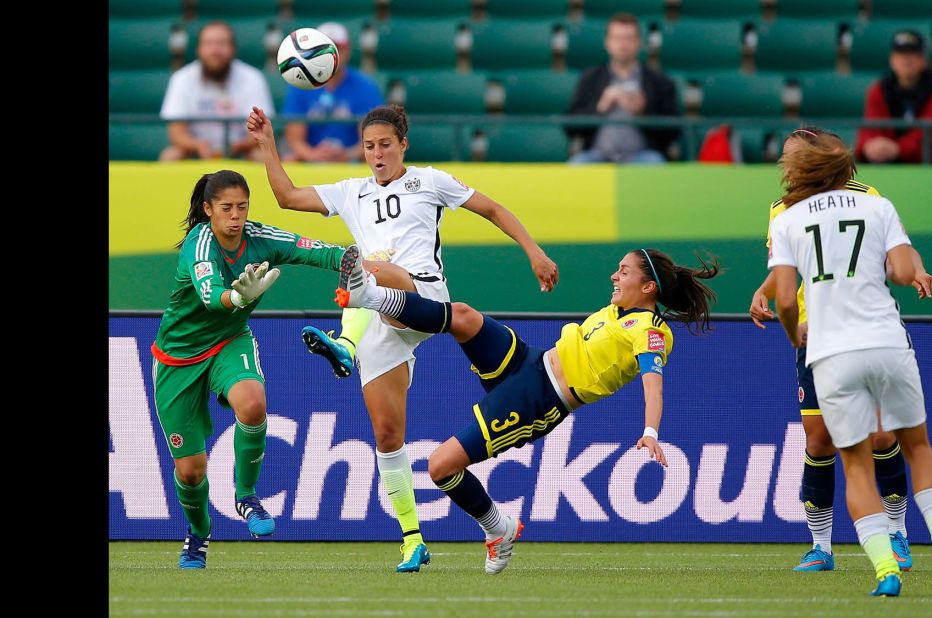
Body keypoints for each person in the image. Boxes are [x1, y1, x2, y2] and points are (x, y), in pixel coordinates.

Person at [245, 103, 559, 572]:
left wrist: (533, 251)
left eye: (385, 145)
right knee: (388, 435)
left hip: (422, 295)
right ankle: (421, 538)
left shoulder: (429, 181)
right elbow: (287, 197)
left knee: (358, 264)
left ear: (403, 145)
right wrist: (268, 144)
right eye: (369, 146)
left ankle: (344, 345)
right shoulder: (352, 192)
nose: (376, 154)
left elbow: (490, 208)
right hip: (378, 312)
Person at [336, 248, 719, 574]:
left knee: (440, 466)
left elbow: (653, 380)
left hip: (540, 400)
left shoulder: (650, 329)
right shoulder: (615, 312)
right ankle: (366, 297)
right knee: (464, 316)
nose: (613, 275)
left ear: (648, 287)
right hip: (529, 363)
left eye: (624, 271)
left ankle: (498, 528)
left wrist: (651, 432)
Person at [768, 132, 932, 597]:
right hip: (886, 340)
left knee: (856, 464)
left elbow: (785, 299)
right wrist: (910, 270)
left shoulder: (790, 217)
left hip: (829, 349)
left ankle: (886, 571)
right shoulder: (878, 207)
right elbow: (900, 270)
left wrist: (792, 331)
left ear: (804, 170)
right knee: (918, 447)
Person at [151, 170, 350, 569]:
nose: (236, 215)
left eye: (242, 206)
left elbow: (309, 249)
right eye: (226, 208)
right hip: (177, 358)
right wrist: (236, 296)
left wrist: (351, 259)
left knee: (253, 403)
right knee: (190, 472)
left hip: (229, 341)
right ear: (208, 210)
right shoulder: (200, 243)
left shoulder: (259, 237)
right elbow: (210, 297)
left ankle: (246, 496)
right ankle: (198, 534)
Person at [749, 127, 925, 573]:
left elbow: (893, 248)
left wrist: (914, 268)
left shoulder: (866, 195)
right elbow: (788, 263)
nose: (785, 168)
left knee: (883, 435)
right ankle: (821, 546)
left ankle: (898, 533)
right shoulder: (780, 210)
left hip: (864, 328)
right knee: (819, 439)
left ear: (815, 160)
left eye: (792, 158)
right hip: (815, 337)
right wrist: (765, 289)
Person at [565, 12, 679, 164]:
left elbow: (674, 130)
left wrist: (643, 112)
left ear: (639, 42)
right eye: (617, 38)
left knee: (655, 163)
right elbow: (570, 127)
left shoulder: (660, 81)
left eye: (629, 38)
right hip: (597, 154)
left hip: (643, 156)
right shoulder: (591, 78)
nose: (623, 44)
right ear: (607, 42)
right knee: (577, 165)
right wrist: (599, 109)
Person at [160, 21, 274, 161]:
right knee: (170, 156)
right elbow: (176, 133)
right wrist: (198, 146)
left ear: (233, 48)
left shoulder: (253, 78)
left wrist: (237, 147)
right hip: (195, 152)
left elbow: (261, 129)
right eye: (208, 44)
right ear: (198, 49)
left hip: (242, 152)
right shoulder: (181, 78)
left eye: (221, 44)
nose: (215, 51)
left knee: (262, 156)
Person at [282, 22, 385, 163]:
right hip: (308, 161)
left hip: (351, 165)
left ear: (348, 51)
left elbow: (375, 136)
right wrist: (313, 154)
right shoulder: (299, 84)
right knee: (289, 159)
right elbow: (294, 138)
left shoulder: (365, 86)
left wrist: (348, 155)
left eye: (338, 48)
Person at [854, 29, 932, 165]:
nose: (906, 61)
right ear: (892, 60)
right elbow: (870, 128)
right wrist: (870, 146)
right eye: (901, 55)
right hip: (886, 163)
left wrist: (898, 148)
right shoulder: (879, 89)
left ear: (923, 60)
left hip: (928, 166)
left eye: (912, 55)